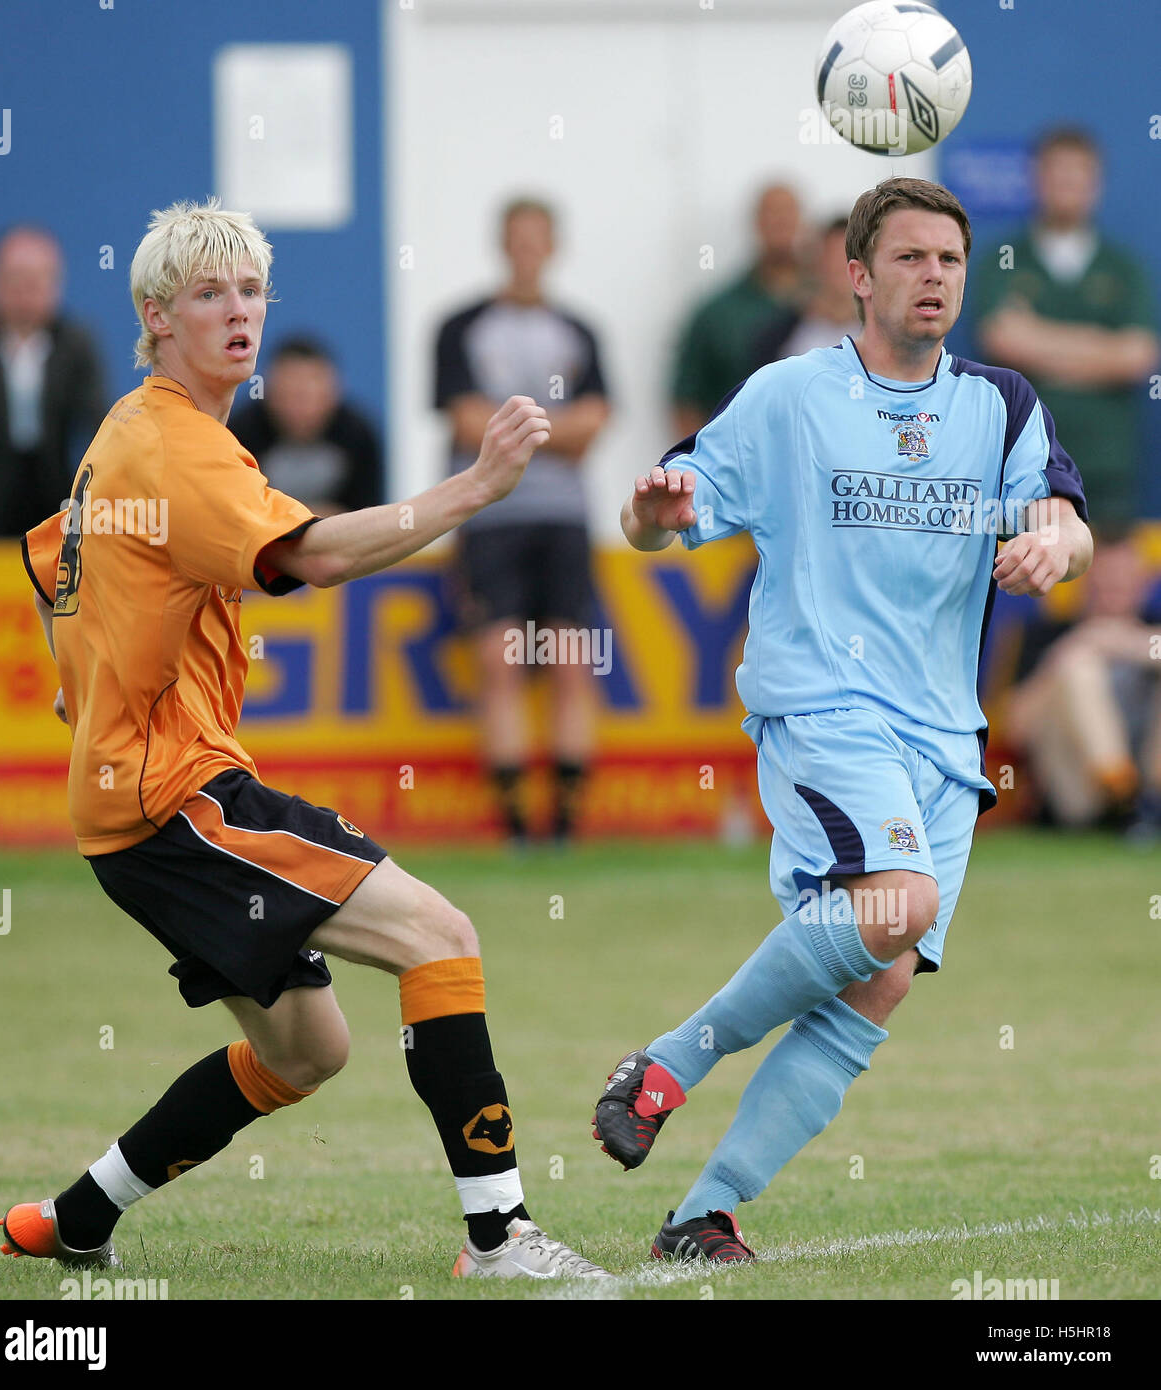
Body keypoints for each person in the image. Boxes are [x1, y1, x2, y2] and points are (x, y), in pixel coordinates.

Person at [4, 199, 607, 1281]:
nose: (238, 312)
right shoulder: (177, 447)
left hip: (126, 816)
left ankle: (78, 1215)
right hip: (177, 800)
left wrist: (83, 689)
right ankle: (500, 1239)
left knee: (306, 1050)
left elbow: (56, 561)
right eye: (207, 294)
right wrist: (474, 487)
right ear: (155, 316)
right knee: (441, 936)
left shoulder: (131, 431)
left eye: (249, 291)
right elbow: (312, 558)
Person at [592, 176, 1092, 1263]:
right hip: (824, 708)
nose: (935, 279)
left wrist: (1056, 542)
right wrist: (646, 514)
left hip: (943, 741)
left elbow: (1061, 515)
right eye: (910, 259)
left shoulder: (1000, 401)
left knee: (881, 972)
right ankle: (671, 1061)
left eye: (951, 261)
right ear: (856, 277)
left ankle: (705, 1212)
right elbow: (666, 512)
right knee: (898, 900)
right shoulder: (787, 397)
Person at [435, 197, 610, 843]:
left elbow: (596, 425)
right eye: (518, 238)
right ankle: (514, 828)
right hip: (490, 520)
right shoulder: (461, 327)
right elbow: (461, 419)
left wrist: (514, 428)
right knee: (498, 662)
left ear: (553, 245)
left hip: (563, 520)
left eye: (539, 238)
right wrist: (557, 431)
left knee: (570, 661)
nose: (528, 250)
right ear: (502, 244)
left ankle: (563, 826)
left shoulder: (580, 330)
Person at [973, 127, 1159, 526]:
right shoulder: (1003, 258)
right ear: (1035, 179)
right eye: (1057, 174)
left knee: (1109, 586)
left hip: (1109, 468)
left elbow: (1135, 357)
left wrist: (1039, 339)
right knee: (1026, 576)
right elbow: (1002, 340)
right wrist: (1100, 346)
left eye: (1078, 176)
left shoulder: (1124, 268)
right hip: (1022, 465)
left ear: (1097, 184)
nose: (1067, 186)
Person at [1004, 526, 1161, 838]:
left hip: (1149, 775)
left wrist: (1117, 641)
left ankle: (1147, 804)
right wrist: (1072, 651)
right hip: (1076, 793)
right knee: (1078, 667)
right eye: (1106, 578)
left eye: (1123, 579)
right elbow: (1015, 727)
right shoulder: (1046, 634)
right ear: (1086, 580)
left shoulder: (1152, 630)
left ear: (1142, 584)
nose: (1114, 587)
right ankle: (1123, 796)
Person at [0, 225, 107, 541]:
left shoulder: (76, 343)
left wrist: (95, 511)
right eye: (15, 279)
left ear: (57, 284)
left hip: (53, 497)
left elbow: (99, 432)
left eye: (37, 281)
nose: (25, 292)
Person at [670, 182, 808, 440]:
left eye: (787, 213)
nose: (780, 223)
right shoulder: (717, 313)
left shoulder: (836, 308)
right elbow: (686, 398)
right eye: (771, 214)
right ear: (756, 223)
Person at [229, 335, 383, 515]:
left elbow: (368, 515)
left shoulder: (359, 436)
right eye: (290, 394)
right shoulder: (240, 434)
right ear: (270, 391)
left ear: (333, 391)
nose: (301, 408)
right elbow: (236, 513)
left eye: (309, 394)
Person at [750, 216, 860, 368]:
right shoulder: (778, 336)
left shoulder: (887, 337)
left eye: (848, 256)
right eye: (832, 256)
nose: (839, 267)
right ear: (816, 261)